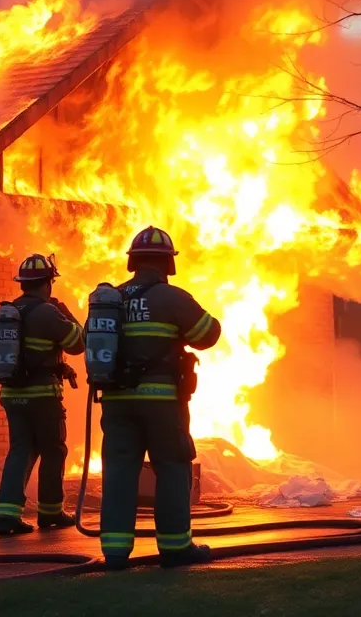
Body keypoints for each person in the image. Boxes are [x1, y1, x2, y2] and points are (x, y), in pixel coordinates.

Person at [99, 226, 222, 570]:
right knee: (171, 466)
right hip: (162, 404)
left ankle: (115, 552)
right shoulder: (172, 298)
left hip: (117, 403)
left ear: (133, 262)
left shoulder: (113, 299)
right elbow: (207, 334)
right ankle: (174, 548)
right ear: (169, 264)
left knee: (120, 471)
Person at [0, 253, 84, 536]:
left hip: (11, 395)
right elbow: (78, 343)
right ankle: (50, 512)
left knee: (20, 449)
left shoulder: (10, 312)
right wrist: (67, 313)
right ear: (47, 283)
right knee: (53, 450)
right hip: (43, 396)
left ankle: (7, 515)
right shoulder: (48, 312)